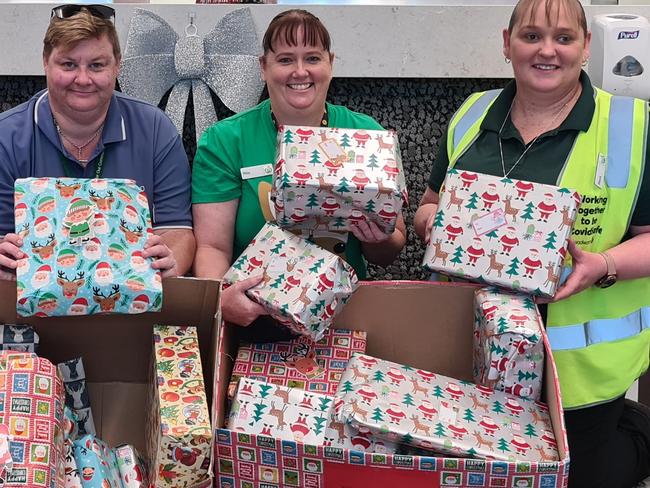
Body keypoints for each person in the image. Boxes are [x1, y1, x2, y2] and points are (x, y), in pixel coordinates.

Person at [415, 0, 650, 486]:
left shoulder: (634, 126)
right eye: (531, 36)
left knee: (581, 477)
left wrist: (604, 263)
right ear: (507, 43)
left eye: (564, 38)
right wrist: (437, 227)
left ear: (586, 47)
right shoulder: (471, 116)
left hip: (577, 374)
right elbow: (428, 204)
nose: (547, 50)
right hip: (475, 353)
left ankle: (636, 433)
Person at [192, 9, 406, 327]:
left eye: (313, 58)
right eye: (286, 59)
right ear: (263, 67)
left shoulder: (368, 137)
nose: (300, 71)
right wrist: (224, 298)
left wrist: (379, 238)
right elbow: (212, 246)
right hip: (256, 317)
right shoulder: (224, 141)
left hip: (345, 316)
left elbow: (390, 249)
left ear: (330, 64)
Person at [0, 5, 195, 280]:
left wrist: (171, 259)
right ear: (45, 62)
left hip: (132, 306)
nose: (82, 79)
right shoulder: (5, 137)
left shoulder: (155, 129)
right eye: (68, 65)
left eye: (96, 65)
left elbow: (178, 231)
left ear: (117, 65)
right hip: (34, 311)